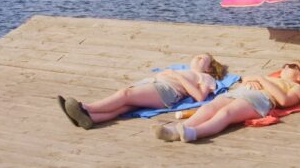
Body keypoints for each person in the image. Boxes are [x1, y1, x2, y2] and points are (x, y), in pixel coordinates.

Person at [153, 60, 300, 142]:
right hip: (243, 91)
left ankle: (193, 133)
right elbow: (244, 79)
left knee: (226, 113)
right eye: (284, 65)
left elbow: (284, 101)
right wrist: (251, 81)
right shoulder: (271, 78)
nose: (285, 67)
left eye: (291, 66)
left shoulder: (296, 87)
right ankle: (176, 130)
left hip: (259, 99)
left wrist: (261, 80)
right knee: (210, 107)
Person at [58, 53, 227, 130]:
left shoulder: (206, 78)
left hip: (166, 90)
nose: (197, 57)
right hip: (154, 84)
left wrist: (176, 75)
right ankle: (89, 119)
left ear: (210, 67)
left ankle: (84, 108)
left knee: (125, 94)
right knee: (125, 107)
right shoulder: (185, 70)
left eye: (203, 58)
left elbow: (199, 96)